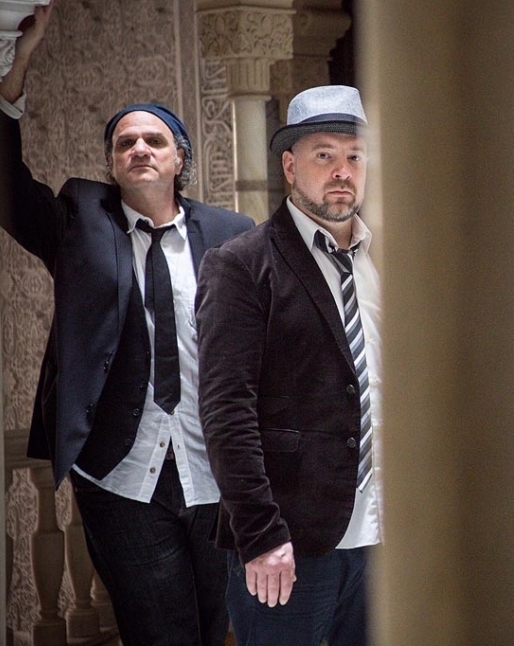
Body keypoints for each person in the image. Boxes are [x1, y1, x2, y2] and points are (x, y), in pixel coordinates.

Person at [0, 3, 254, 644]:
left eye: (154, 141)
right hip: (120, 473)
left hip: (215, 472)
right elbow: (1, 185)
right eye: (124, 143)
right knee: (158, 633)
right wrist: (15, 71)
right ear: (111, 163)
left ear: (180, 159)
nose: (138, 148)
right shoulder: (80, 220)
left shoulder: (231, 234)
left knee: (216, 628)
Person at [196, 85, 380, 646]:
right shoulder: (242, 264)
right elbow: (227, 413)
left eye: (354, 155)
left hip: (385, 538)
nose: (342, 171)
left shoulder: (386, 262)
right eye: (324, 155)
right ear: (290, 166)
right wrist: (260, 534)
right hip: (289, 544)